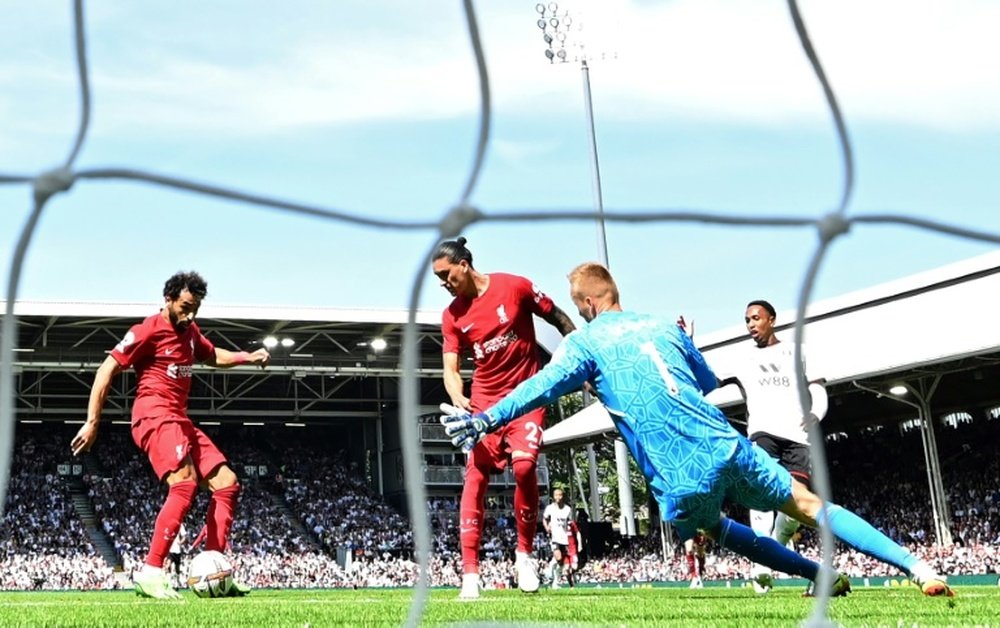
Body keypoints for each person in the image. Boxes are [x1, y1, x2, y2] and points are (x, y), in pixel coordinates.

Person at [441, 262, 953, 599]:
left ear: (590, 305)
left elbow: (540, 389)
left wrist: (485, 418)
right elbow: (707, 384)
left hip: (680, 474)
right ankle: (918, 568)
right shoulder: (665, 325)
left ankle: (821, 576)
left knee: (720, 531)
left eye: (578, 308)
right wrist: (690, 344)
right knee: (811, 507)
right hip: (727, 442)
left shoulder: (585, 342)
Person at [70, 271, 270, 600]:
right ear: (168, 299)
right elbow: (107, 369)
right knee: (186, 483)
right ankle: (151, 572)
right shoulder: (147, 329)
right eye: (186, 306)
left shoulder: (190, 331)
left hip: (180, 419)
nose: (190, 314)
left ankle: (215, 565)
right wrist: (92, 422)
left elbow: (212, 355)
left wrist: (246, 356)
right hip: (153, 416)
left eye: (196, 308)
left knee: (227, 483)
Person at [431, 237, 577, 599]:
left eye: (446, 275)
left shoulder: (515, 286)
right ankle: (470, 574)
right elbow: (450, 368)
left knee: (525, 468)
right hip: (484, 403)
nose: (444, 284)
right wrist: (457, 395)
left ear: (464, 264)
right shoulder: (452, 316)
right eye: (439, 279)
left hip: (526, 397)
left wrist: (581, 353)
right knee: (475, 479)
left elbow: (559, 318)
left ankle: (524, 556)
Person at [542, 488, 574, 589]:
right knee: (559, 558)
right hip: (555, 537)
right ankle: (549, 572)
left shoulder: (567, 509)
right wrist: (547, 527)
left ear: (563, 496)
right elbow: (544, 519)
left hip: (565, 538)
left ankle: (555, 580)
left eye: (560, 495)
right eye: (556, 495)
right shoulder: (550, 508)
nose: (558, 497)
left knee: (561, 562)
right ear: (553, 496)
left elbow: (571, 523)